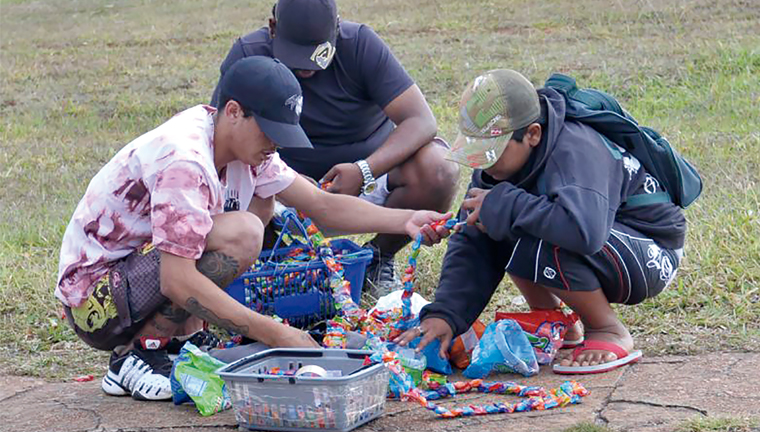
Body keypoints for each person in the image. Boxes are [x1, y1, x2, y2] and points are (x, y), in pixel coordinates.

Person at [56, 56, 452, 402]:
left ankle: (181, 341)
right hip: (96, 304)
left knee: (255, 212)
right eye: (270, 131)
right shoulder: (185, 160)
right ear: (233, 112)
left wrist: (405, 219)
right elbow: (177, 280)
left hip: (135, 279)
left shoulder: (244, 148)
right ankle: (137, 354)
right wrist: (276, 334)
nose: (275, 145)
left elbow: (321, 206)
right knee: (242, 232)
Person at [395, 69, 686, 374]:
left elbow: (584, 232)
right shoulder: (497, 167)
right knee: (500, 219)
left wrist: (504, 205)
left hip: (648, 252)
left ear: (532, 133)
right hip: (605, 242)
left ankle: (607, 329)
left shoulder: (577, 149)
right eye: (477, 152)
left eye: (492, 152)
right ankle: (556, 323)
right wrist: (446, 315)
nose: (485, 163)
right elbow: (473, 239)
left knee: (520, 220)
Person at [210, 0, 460, 296]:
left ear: (337, 28)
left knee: (439, 168)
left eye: (318, 54)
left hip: (365, 178)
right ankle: (274, 267)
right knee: (246, 191)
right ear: (273, 28)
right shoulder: (249, 57)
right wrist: (280, 179)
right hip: (281, 186)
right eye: (296, 55)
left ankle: (377, 260)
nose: (306, 68)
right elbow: (221, 140)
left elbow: (421, 120)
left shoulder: (360, 45)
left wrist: (365, 170)